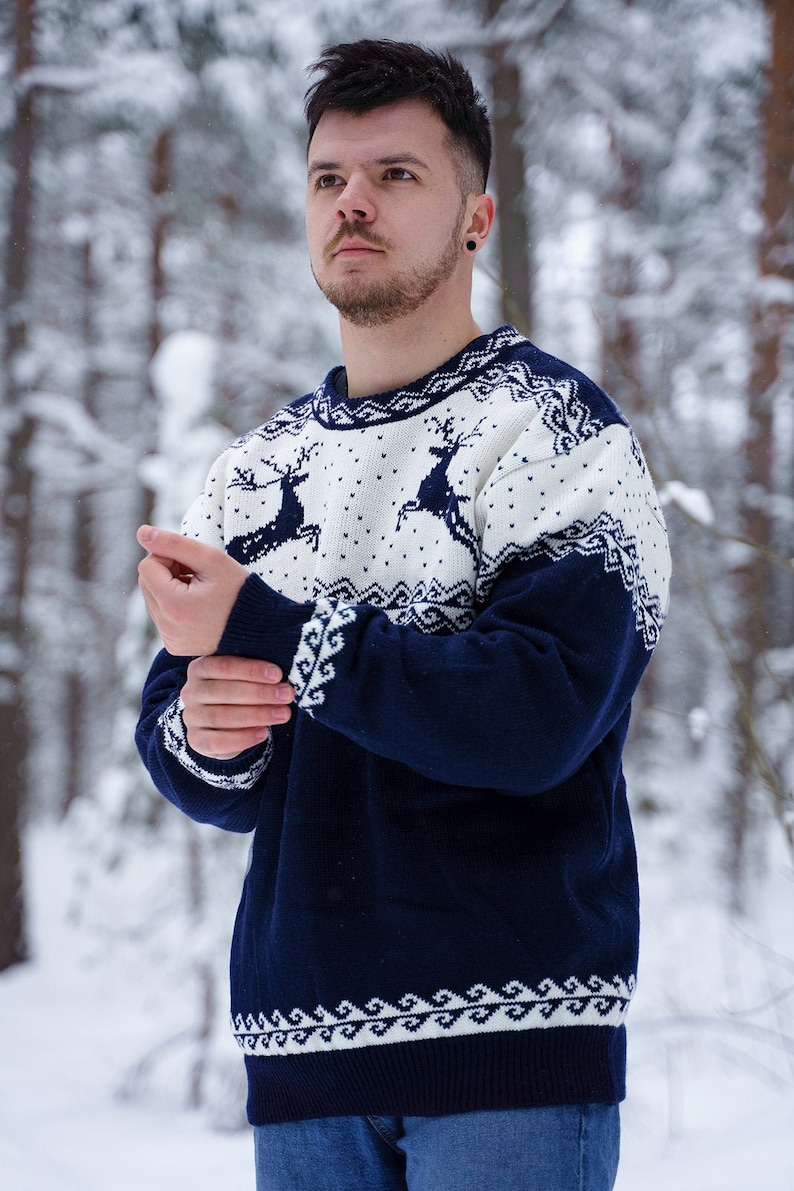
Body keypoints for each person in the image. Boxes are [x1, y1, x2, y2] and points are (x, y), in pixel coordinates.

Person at [136, 39, 671, 1191]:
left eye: (395, 175)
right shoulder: (255, 471)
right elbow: (179, 733)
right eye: (329, 179)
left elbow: (537, 715)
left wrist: (276, 634)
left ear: (475, 218)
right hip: (300, 1062)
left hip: (511, 1055)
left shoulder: (557, 436)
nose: (353, 203)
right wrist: (207, 737)